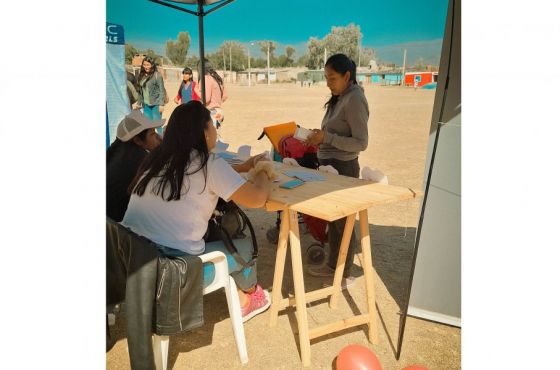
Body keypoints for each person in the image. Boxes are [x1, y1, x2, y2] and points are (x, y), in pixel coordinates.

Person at [121, 100, 274, 322]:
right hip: (173, 272)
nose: (215, 130)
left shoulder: (157, 159)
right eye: (212, 125)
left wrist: (241, 167)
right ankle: (248, 298)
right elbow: (258, 198)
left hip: (131, 261)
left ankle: (244, 295)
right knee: (244, 246)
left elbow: (197, 175)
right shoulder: (209, 163)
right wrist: (263, 171)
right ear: (203, 132)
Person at [304, 53, 369, 287]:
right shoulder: (340, 96)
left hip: (344, 168)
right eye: (326, 78)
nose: (328, 83)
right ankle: (334, 265)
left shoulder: (355, 99)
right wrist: (319, 138)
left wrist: (327, 137)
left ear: (347, 76)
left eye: (332, 78)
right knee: (334, 220)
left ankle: (345, 273)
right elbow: (334, 133)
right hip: (330, 167)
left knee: (344, 222)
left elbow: (361, 143)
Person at [107, 110, 164, 222]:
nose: (158, 137)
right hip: (120, 226)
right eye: (152, 134)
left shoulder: (117, 150)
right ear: (138, 140)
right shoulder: (140, 159)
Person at [195, 59, 228, 128]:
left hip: (211, 113)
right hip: (219, 112)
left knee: (210, 138)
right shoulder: (217, 78)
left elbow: (206, 99)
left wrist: (196, 90)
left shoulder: (206, 78)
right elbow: (225, 96)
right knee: (216, 136)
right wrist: (216, 101)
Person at [137, 56, 166, 134]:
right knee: (148, 126)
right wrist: (138, 103)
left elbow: (161, 90)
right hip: (146, 105)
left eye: (148, 65)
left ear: (152, 65)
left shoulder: (157, 75)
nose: (146, 67)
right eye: (144, 65)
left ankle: (161, 142)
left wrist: (161, 104)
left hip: (155, 104)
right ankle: (151, 143)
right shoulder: (141, 75)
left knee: (157, 125)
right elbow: (140, 91)